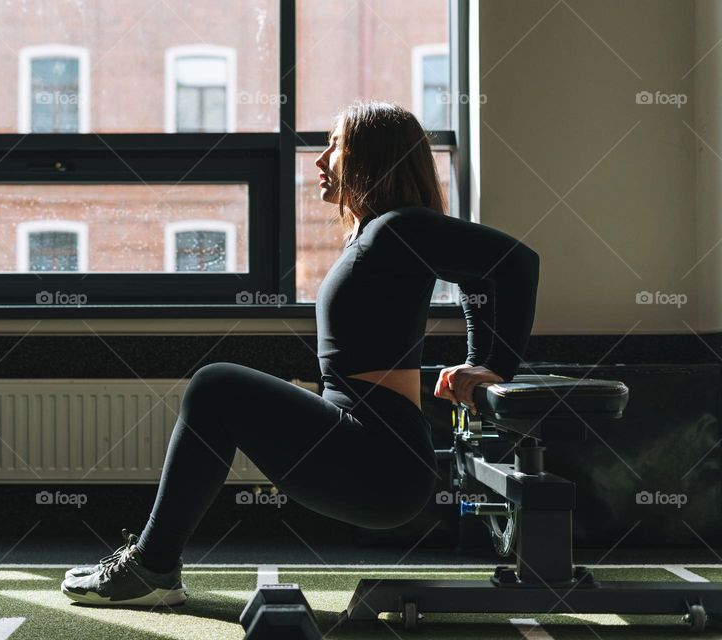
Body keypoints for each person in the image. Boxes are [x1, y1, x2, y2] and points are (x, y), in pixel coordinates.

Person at [60, 100, 540, 606]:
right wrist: (478, 358)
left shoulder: (399, 227)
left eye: (336, 144)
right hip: (365, 445)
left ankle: (152, 568)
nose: (320, 159)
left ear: (370, 157)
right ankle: (154, 567)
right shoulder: (380, 234)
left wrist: (490, 364)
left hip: (381, 462)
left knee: (215, 385)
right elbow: (476, 277)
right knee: (217, 390)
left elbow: (514, 263)